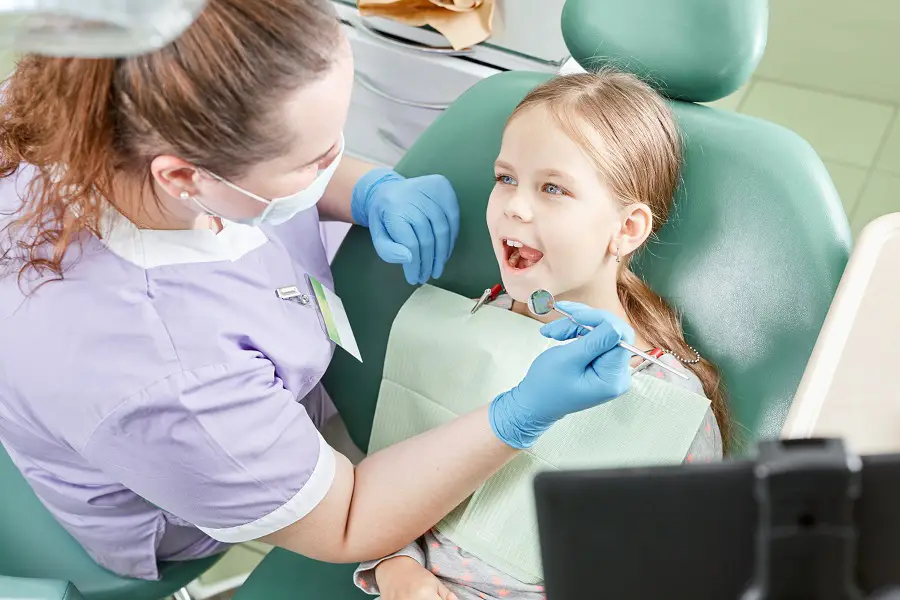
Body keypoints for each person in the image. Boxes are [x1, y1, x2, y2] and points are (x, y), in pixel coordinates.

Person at [0, 0, 636, 582]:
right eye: (314, 161)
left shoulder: (93, 103)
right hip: (167, 492)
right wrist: (518, 415)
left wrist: (365, 188)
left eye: (339, 139)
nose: (334, 163)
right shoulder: (167, 378)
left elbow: (256, 174)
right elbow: (348, 521)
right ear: (185, 175)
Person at [351, 70, 731, 600]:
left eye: (553, 188)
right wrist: (399, 570)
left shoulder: (671, 410)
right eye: (505, 178)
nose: (515, 206)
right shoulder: (469, 329)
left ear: (627, 229)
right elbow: (387, 491)